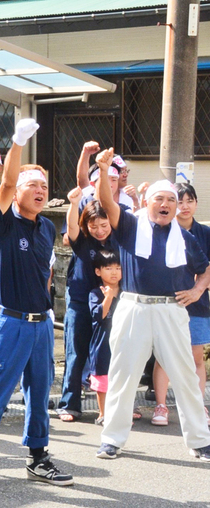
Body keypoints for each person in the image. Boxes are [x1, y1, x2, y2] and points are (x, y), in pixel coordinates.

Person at [0, 120, 74, 497]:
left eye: (43, 186)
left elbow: (44, 273)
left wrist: (46, 311)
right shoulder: (3, 223)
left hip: (41, 324)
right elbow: (4, 186)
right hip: (9, 323)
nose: (40, 191)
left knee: (39, 393)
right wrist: (17, 143)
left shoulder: (46, 229)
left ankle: (38, 457)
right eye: (32, 185)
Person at [92, 148, 210, 462]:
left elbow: (205, 267)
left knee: (185, 376)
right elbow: (106, 203)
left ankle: (199, 440)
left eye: (171, 200)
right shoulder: (131, 226)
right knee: (123, 374)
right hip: (134, 307)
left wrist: (198, 289)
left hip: (171, 309)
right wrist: (104, 172)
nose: (167, 205)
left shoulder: (185, 238)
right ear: (148, 202)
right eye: (160, 199)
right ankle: (112, 439)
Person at [150, 183, 210, 427]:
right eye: (180, 201)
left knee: (196, 357)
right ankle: (161, 405)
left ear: (196, 203)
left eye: (189, 201)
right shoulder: (157, 229)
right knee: (164, 357)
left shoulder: (205, 233)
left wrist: (197, 291)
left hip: (197, 304)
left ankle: (199, 404)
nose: (184, 206)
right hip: (166, 303)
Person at [58, 186, 121, 422]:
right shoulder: (82, 240)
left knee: (112, 354)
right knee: (76, 352)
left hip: (112, 304)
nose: (99, 230)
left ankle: (116, 405)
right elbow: (72, 227)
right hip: (80, 300)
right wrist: (74, 204)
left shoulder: (118, 239)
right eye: (93, 226)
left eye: (104, 225)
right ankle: (69, 404)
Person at [87, 250, 122, 425]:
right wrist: (108, 297)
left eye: (118, 267)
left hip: (123, 342)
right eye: (108, 268)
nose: (114, 272)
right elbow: (99, 315)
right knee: (103, 379)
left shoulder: (127, 292)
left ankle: (121, 413)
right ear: (98, 271)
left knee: (122, 378)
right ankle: (103, 413)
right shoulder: (95, 293)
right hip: (102, 343)